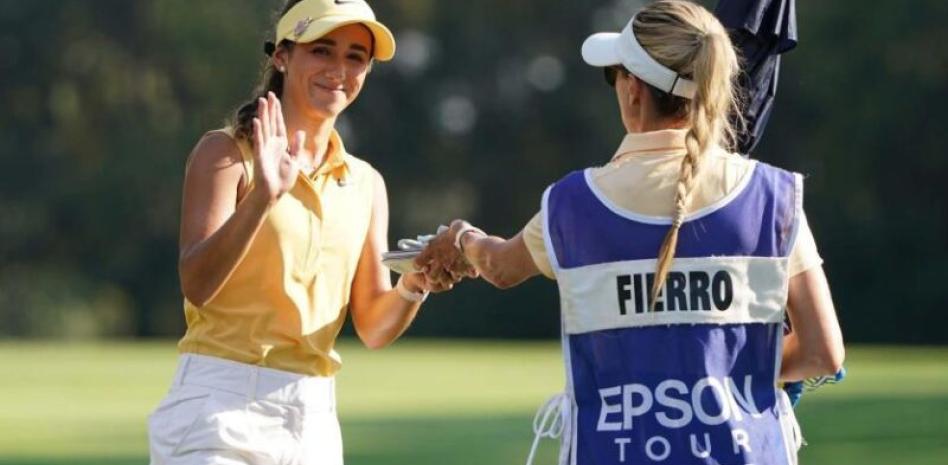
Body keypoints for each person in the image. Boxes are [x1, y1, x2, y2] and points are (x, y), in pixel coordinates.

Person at [416, 1, 844, 464]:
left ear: (634, 90)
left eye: (614, 75)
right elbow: (824, 353)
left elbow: (499, 267)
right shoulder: (774, 197)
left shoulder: (573, 203)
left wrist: (461, 238)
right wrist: (724, 372)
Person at [147, 1, 457, 463]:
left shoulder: (366, 183)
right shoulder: (226, 154)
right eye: (322, 50)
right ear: (282, 56)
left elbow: (372, 325)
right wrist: (262, 198)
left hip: (313, 423)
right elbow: (197, 283)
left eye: (355, 56)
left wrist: (414, 284)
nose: (338, 69)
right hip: (217, 407)